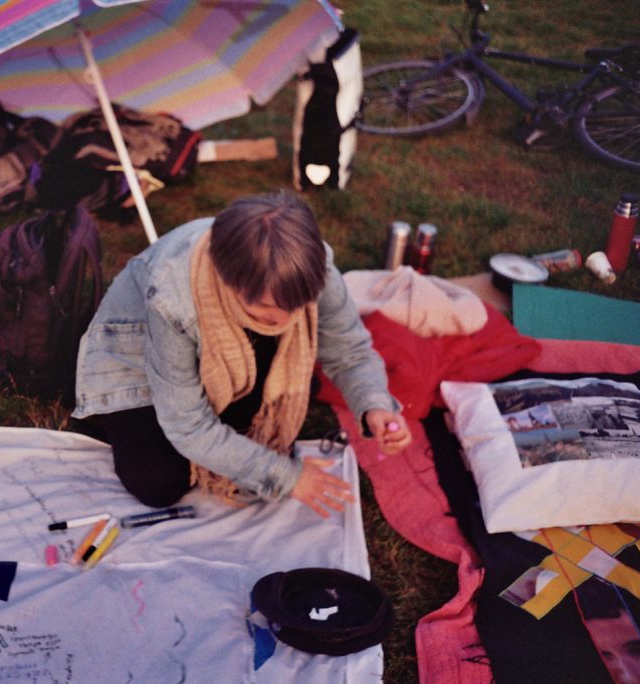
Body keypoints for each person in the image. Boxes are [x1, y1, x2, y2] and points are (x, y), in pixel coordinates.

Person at [71, 191, 411, 517]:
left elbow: (348, 349)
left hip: (218, 348)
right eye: (268, 311)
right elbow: (187, 425)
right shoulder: (172, 298)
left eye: (298, 308)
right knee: (158, 484)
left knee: (249, 434)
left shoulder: (310, 267)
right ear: (229, 281)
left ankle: (229, 417)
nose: (287, 321)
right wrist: (286, 477)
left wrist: (374, 405)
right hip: (136, 362)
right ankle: (113, 421)